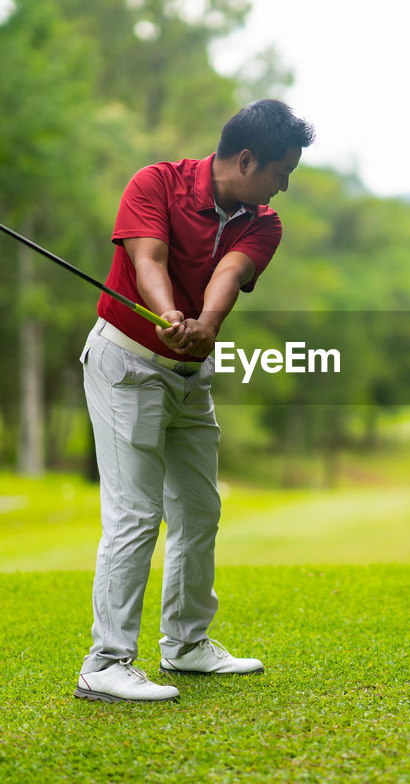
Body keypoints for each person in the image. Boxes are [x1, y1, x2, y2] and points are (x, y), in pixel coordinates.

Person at [74, 100, 315, 703]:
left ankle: (184, 644)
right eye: (280, 173)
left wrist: (203, 324)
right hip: (126, 362)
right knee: (135, 512)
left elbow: (226, 277)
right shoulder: (155, 183)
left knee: (199, 509)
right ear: (246, 158)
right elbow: (146, 258)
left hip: (189, 373)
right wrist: (167, 315)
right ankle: (105, 663)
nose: (283, 188)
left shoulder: (262, 221)